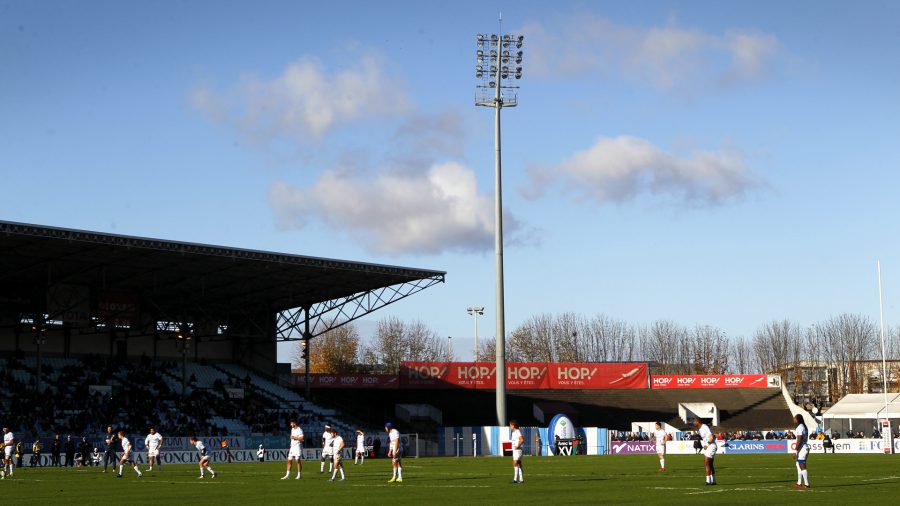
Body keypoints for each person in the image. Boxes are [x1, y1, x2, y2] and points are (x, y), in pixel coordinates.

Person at [692, 418, 716, 486]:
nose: (693, 423)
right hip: (709, 446)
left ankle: (708, 481)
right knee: (710, 464)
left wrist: (707, 445)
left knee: (706, 463)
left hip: (711, 446)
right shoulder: (699, 430)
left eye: (694, 421)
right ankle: (713, 481)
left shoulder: (704, 427)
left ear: (697, 421)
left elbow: (711, 437)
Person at [793, 414, 811, 488]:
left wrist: (796, 451)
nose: (793, 419)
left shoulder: (800, 427)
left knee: (802, 465)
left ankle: (807, 484)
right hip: (804, 447)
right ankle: (799, 483)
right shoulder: (803, 426)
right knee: (798, 465)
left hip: (802, 448)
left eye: (794, 418)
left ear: (798, 419)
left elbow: (799, 439)